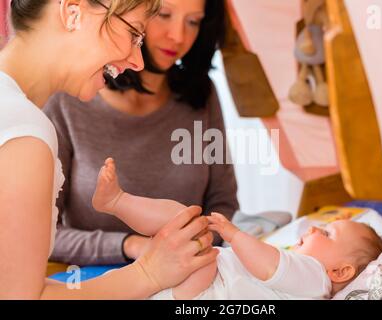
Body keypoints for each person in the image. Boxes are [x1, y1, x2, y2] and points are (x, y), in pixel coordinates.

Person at [0, 0, 217, 299]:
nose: (138, 61)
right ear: (72, 12)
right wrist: (149, 273)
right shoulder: (25, 132)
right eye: (133, 34)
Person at [43, 0, 238, 266]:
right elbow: (41, 234)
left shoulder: (201, 95)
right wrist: (133, 247)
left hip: (189, 276)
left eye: (193, 21)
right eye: (164, 15)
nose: (178, 36)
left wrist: (197, 243)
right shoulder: (65, 100)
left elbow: (223, 204)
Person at [93, 158, 382, 299]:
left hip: (206, 287)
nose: (312, 230)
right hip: (196, 285)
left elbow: (269, 267)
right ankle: (117, 201)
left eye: (326, 233)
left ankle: (118, 201)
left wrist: (234, 235)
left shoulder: (316, 278)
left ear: (340, 272)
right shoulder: (304, 276)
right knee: (185, 225)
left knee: (188, 226)